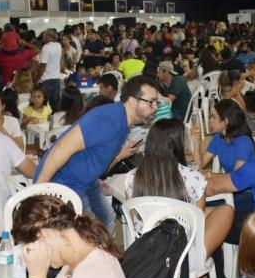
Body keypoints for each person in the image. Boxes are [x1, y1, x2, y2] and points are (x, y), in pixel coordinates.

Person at [34, 76, 160, 232]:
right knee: (93, 234)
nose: (155, 107)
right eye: (151, 102)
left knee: (106, 221)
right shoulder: (108, 118)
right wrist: (38, 193)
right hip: (64, 185)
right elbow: (61, 148)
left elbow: (99, 158)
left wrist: (116, 159)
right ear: (133, 101)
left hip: (86, 182)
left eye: (156, 103)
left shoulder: (123, 123)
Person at [124, 118, 234, 255]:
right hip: (181, 253)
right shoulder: (194, 178)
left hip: (145, 249)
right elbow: (197, 223)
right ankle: (201, 258)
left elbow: (134, 215)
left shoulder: (131, 177)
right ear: (178, 144)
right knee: (225, 210)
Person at [37, 29, 63, 111]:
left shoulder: (46, 47)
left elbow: (43, 65)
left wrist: (36, 79)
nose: (43, 38)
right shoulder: (58, 46)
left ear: (48, 36)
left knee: (46, 105)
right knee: (56, 103)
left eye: (44, 35)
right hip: (56, 78)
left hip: (46, 79)